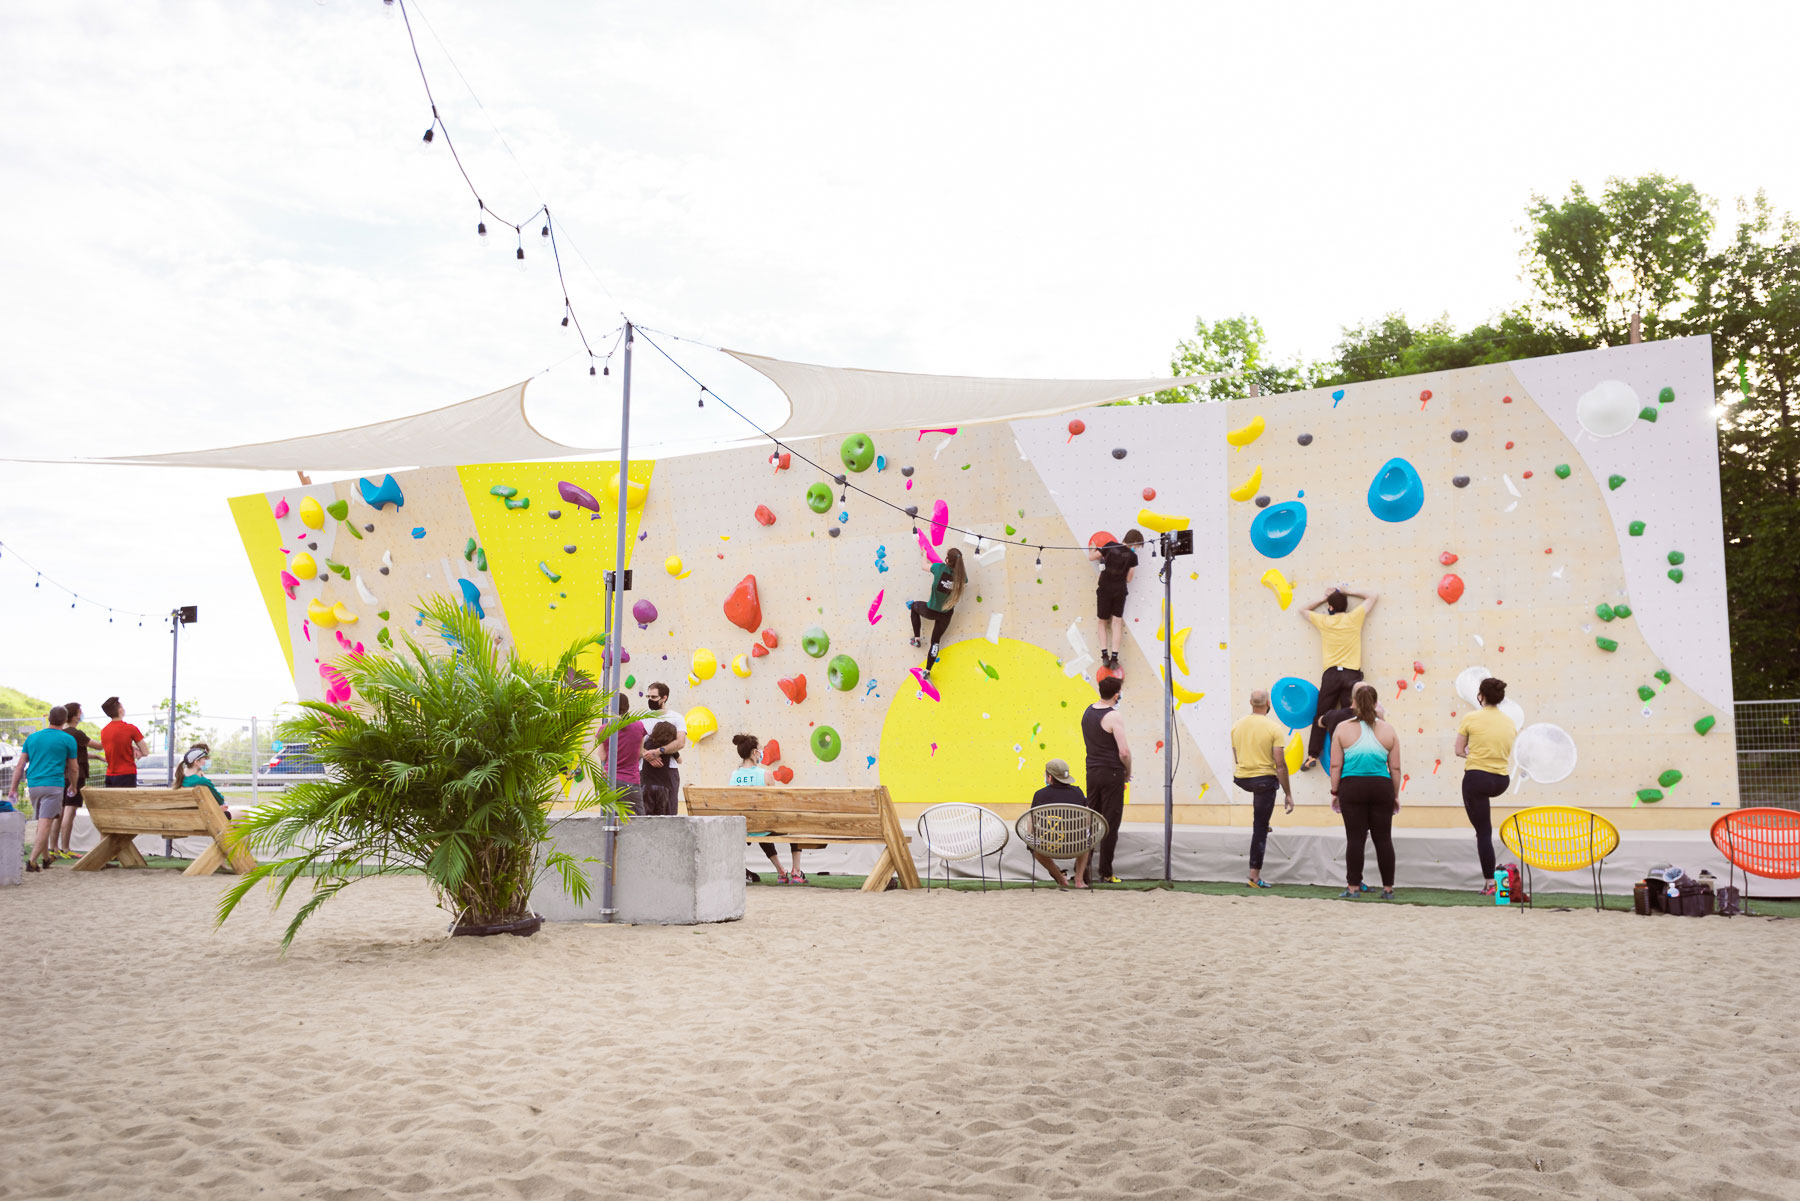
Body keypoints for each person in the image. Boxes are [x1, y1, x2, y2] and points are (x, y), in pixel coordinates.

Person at [1329, 682, 1402, 900]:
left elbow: (1335, 766)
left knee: (1355, 839)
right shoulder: (1388, 730)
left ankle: (1353, 888)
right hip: (1381, 787)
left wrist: (1335, 792)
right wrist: (1395, 795)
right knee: (1383, 839)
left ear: (1353, 703)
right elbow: (1395, 768)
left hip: (1352, 787)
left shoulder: (1342, 729)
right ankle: (1388, 889)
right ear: (1376, 703)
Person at [1300, 585, 1378, 770]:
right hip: (1352, 675)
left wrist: (1324, 597)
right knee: (1352, 716)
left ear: (1331, 607)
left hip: (1331, 674)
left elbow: (1302, 609)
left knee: (1320, 715)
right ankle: (1351, 757)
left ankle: (1312, 756)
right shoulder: (1354, 618)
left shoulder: (1325, 621)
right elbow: (1372, 594)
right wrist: (1347, 591)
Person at [1455, 676, 1517, 894]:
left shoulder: (1471, 718)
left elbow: (1459, 750)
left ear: (1480, 696)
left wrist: (1473, 754)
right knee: (1484, 829)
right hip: (1501, 780)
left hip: (1478, 778)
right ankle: (1492, 880)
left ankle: (1490, 883)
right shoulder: (1509, 722)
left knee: (1483, 832)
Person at [1229, 688, 1294, 888]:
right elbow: (1280, 764)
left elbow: (1237, 757)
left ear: (1250, 702)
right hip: (1263, 780)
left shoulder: (1236, 726)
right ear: (1268, 705)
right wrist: (1288, 794)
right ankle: (1254, 877)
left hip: (1242, 778)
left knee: (1261, 808)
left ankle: (1263, 821)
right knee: (1259, 827)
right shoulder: (1273, 728)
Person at [6, 706, 79, 873]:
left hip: (33, 786)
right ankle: (32, 861)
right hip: (53, 785)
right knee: (45, 824)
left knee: (42, 821)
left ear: (49, 719)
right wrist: (74, 786)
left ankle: (46, 858)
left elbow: (20, 765)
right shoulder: (67, 739)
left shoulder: (32, 738)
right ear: (65, 720)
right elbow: (74, 768)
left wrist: (13, 789)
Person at [730, 733, 806, 884]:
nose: (760, 753)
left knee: (760, 825)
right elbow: (775, 805)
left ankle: (780, 871)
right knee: (794, 825)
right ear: (753, 752)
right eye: (759, 750)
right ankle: (796, 871)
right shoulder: (766, 775)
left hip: (744, 827)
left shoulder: (734, 776)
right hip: (764, 825)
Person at [1080, 675, 1131, 884]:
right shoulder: (1113, 716)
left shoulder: (1087, 712)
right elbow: (1124, 752)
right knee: (1110, 823)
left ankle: (1083, 871)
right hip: (1111, 773)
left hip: (1091, 772)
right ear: (1117, 694)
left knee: (1090, 821)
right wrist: (1127, 772)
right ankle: (1106, 872)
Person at [1026, 758, 1089, 889]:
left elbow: (1032, 822)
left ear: (1049, 777)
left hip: (1050, 845)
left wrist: (1030, 837)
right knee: (1086, 840)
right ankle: (1079, 879)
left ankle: (1060, 878)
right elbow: (1088, 819)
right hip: (1076, 845)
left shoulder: (1040, 795)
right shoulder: (1078, 792)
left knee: (1034, 847)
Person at [1087, 529, 1144, 672]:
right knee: (1116, 622)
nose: (1135, 549)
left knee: (1102, 621)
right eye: (1137, 546)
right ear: (1135, 542)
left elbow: (1092, 557)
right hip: (1119, 591)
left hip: (1105, 588)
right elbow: (1129, 579)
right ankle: (1114, 658)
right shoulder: (1132, 557)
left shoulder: (1109, 546)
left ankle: (1104, 655)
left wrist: (1092, 547)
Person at [907, 545, 966, 680]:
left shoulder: (939, 568)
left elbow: (924, 566)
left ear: (947, 560)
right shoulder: (961, 576)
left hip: (931, 610)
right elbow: (964, 581)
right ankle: (927, 670)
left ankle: (916, 639)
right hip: (946, 614)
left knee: (914, 607)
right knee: (935, 641)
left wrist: (924, 554)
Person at [52, 701, 94, 860]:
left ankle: (53, 847)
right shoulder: (76, 734)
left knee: (59, 813)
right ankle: (66, 848)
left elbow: (72, 753)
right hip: (74, 777)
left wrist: (95, 757)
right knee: (70, 811)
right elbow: (97, 745)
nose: (82, 714)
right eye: (80, 711)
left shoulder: (60, 734)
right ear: (75, 715)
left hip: (60, 776)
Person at [638, 683, 687, 816]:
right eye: (648, 696)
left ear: (664, 697)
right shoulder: (641, 717)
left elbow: (680, 742)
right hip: (645, 772)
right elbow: (636, 743)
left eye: (654, 697)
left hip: (668, 772)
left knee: (669, 811)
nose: (650, 700)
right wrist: (647, 755)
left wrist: (659, 751)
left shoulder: (676, 718)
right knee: (645, 813)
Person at [605, 694, 647, 815]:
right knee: (637, 821)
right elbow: (640, 752)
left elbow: (603, 757)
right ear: (628, 707)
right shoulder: (639, 726)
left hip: (608, 780)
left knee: (610, 820)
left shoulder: (604, 729)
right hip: (630, 779)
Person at [99, 696, 147, 788]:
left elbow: (115, 746)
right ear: (120, 710)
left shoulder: (104, 731)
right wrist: (136, 750)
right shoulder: (130, 728)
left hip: (110, 775)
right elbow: (145, 752)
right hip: (127, 774)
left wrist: (132, 747)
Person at [640, 720, 682, 817]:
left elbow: (640, 751)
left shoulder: (647, 745)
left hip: (647, 785)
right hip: (663, 786)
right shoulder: (668, 748)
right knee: (662, 815)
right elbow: (680, 761)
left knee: (647, 814)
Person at [176, 744, 231, 818]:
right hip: (204, 819)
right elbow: (220, 800)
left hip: (186, 818)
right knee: (241, 815)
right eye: (205, 759)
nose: (207, 761)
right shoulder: (203, 781)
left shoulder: (180, 780)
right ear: (196, 762)